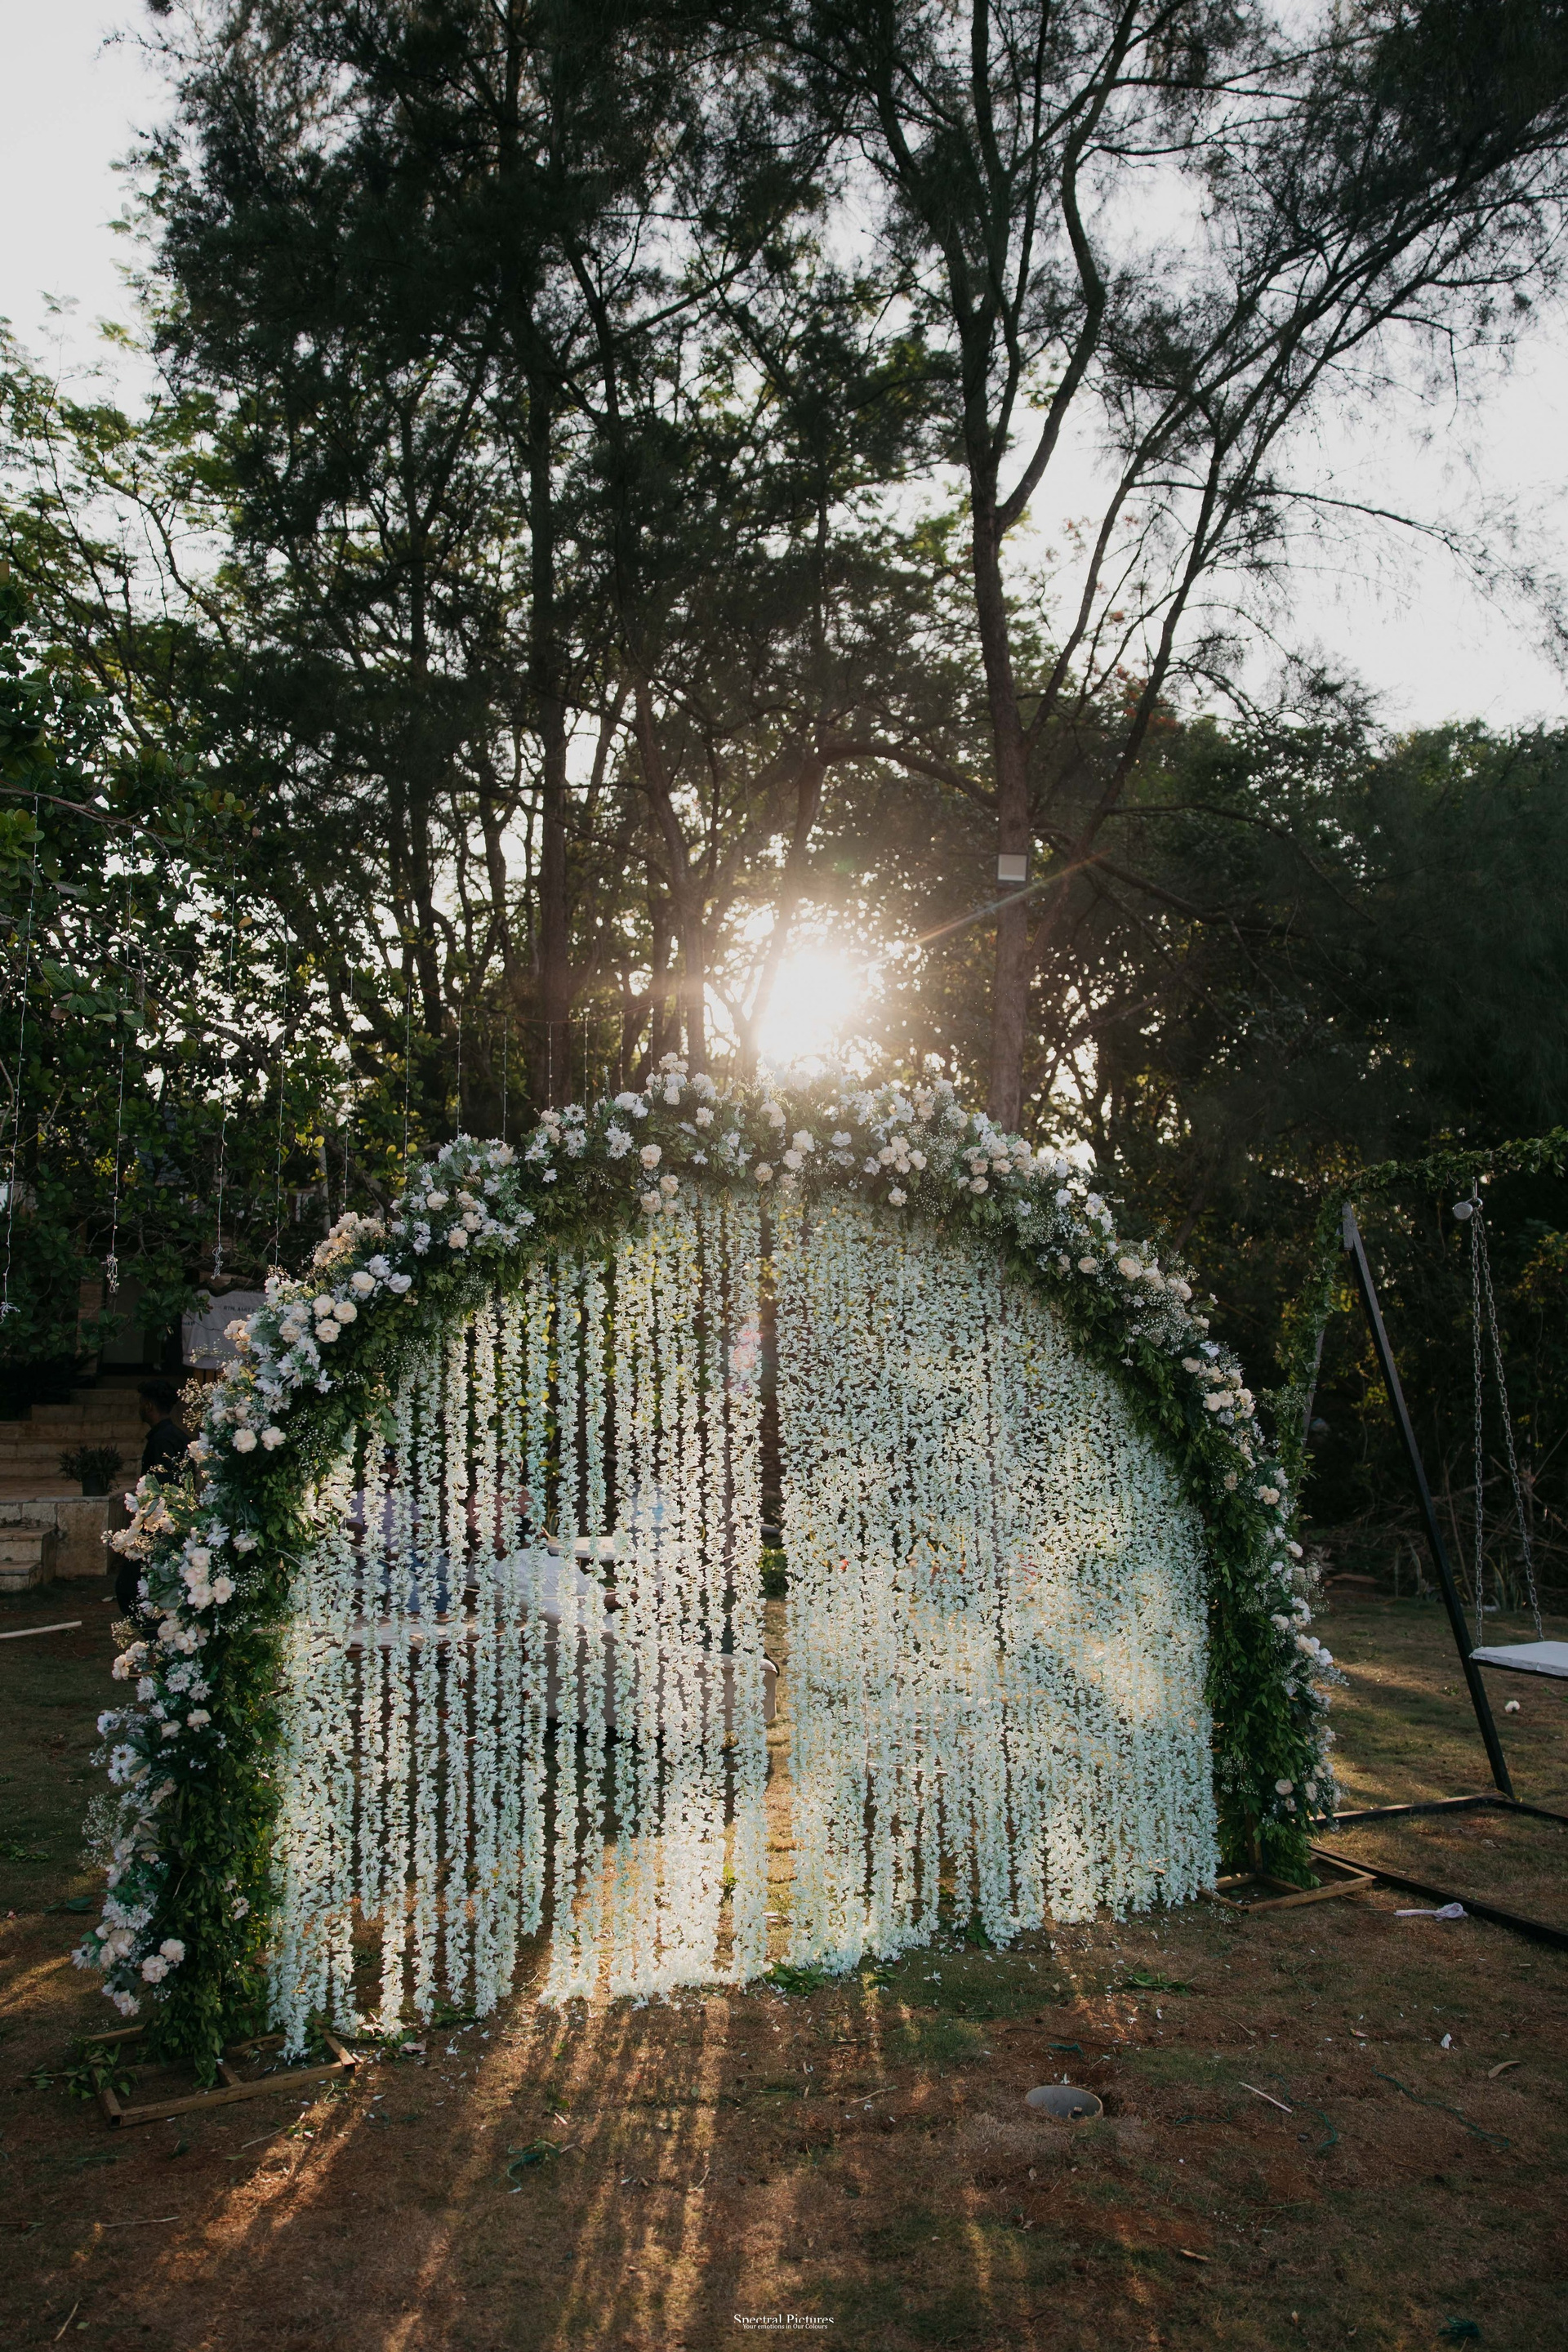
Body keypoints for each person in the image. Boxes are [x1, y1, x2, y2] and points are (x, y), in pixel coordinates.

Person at [112, 1380, 189, 1614]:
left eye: (140, 1403)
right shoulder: (174, 1435)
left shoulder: (163, 1440)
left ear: (148, 1406)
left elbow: (164, 1487)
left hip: (161, 1524)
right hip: (168, 1521)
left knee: (130, 1586)